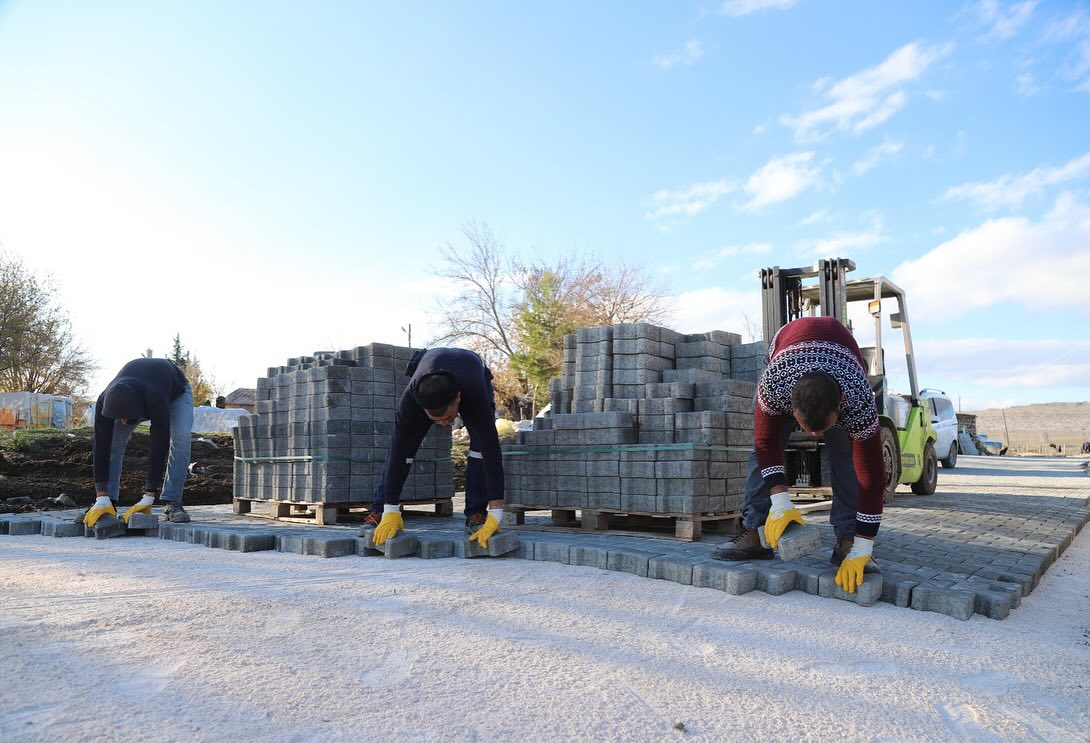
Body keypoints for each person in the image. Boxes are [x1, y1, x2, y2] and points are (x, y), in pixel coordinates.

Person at [712, 316, 885, 594]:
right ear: (791, 409)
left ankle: (848, 541)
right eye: (806, 428)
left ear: (840, 406)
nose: (815, 436)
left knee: (846, 456)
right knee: (762, 452)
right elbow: (765, 443)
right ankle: (757, 531)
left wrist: (865, 545)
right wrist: (781, 501)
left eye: (824, 428)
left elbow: (872, 477)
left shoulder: (857, 397)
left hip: (843, 358)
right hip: (787, 348)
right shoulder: (775, 384)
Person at [366, 348, 505, 548]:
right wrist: (391, 509)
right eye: (436, 420)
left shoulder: (474, 393)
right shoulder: (412, 400)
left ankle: (477, 514)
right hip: (428, 368)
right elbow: (397, 452)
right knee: (403, 448)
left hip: (472, 371)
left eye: (448, 418)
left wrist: (496, 513)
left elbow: (492, 451)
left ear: (458, 398)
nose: (443, 425)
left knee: (480, 448)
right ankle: (382, 511)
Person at [84, 358, 194, 527]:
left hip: (175, 391)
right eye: (118, 417)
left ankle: (173, 502)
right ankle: (108, 502)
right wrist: (101, 495)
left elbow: (159, 444)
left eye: (125, 417)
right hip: (138, 390)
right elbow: (101, 446)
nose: (122, 422)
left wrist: (148, 496)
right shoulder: (103, 401)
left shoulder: (155, 399)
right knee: (113, 441)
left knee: (181, 438)